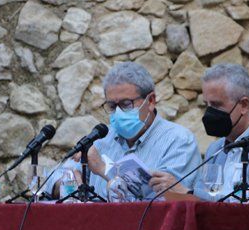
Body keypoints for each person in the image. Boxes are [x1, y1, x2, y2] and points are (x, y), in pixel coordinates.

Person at [47, 62, 201, 200]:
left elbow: (162, 203)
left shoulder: (179, 140)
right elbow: (52, 179)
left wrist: (104, 169)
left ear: (151, 101)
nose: (118, 113)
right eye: (112, 107)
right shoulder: (102, 137)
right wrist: (68, 186)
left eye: (126, 104)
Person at [155, 63, 249, 200]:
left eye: (216, 105)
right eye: (207, 105)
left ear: (243, 105)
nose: (210, 112)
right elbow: (204, 199)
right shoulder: (215, 149)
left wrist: (187, 192)